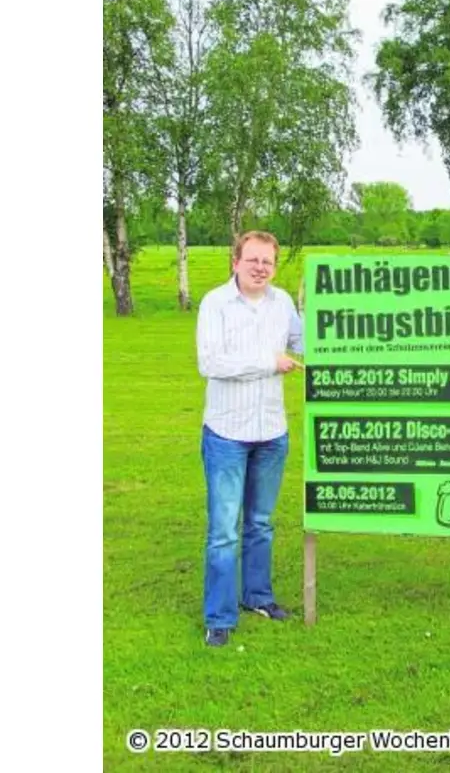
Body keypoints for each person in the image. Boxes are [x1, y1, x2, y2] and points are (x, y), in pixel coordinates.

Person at [194, 230, 304, 648]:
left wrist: (341, 320)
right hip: (227, 433)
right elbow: (211, 361)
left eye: (268, 262)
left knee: (261, 523)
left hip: (271, 431)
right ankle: (219, 617)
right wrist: (268, 363)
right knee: (224, 529)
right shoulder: (215, 304)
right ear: (235, 262)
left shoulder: (283, 305)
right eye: (253, 259)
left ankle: (257, 597)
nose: (260, 267)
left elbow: (303, 342)